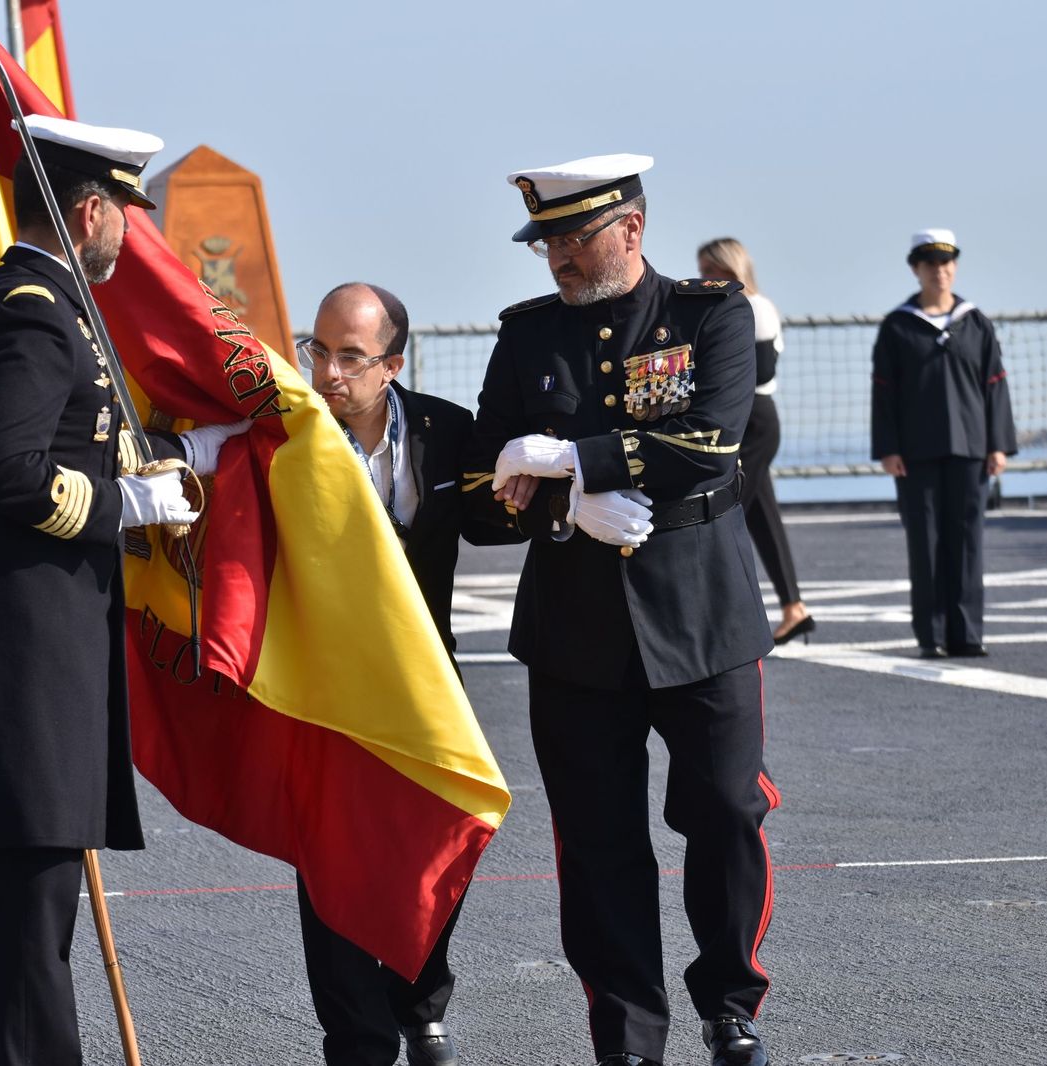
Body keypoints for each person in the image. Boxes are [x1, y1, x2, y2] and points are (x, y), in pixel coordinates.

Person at [0, 114, 240, 1064]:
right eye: (128, 213)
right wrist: (120, 506)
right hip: (23, 658)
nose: (134, 233)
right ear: (88, 211)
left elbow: (77, 441)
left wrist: (186, 455)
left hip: (22, 648)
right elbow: (8, 473)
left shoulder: (23, 301)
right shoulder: (31, 311)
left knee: (22, 910)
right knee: (25, 919)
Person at [463, 155, 778, 1066]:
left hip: (702, 613)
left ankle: (729, 1000)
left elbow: (712, 445)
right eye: (546, 241)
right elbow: (487, 490)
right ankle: (630, 1038)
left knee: (724, 810)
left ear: (631, 230)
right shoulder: (526, 339)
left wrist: (572, 463)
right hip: (575, 627)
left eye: (573, 236)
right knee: (599, 844)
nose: (556, 256)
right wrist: (561, 502)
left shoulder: (711, 316)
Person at [293, 281, 489, 1066]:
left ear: (392, 364)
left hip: (427, 685)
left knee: (439, 842)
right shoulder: (287, 431)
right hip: (325, 688)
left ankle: (421, 1001)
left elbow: (503, 512)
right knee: (332, 863)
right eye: (318, 350)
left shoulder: (449, 429)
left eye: (349, 356)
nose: (329, 372)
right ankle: (357, 1036)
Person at [871, 229, 1017, 658]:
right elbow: (884, 391)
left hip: (971, 450)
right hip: (915, 453)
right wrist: (889, 448)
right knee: (926, 543)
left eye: (948, 261)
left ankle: (967, 633)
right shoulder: (898, 326)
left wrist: (998, 444)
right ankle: (931, 636)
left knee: (968, 542)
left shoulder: (976, 322)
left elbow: (995, 384)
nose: (942, 270)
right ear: (916, 269)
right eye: (931, 263)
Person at [696, 239, 814, 645]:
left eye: (712, 270)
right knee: (763, 519)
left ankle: (718, 614)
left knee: (724, 518)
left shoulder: (754, 306)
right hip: (746, 419)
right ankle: (793, 607)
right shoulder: (729, 307)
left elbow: (761, 372)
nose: (704, 278)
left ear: (733, 270)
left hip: (755, 420)